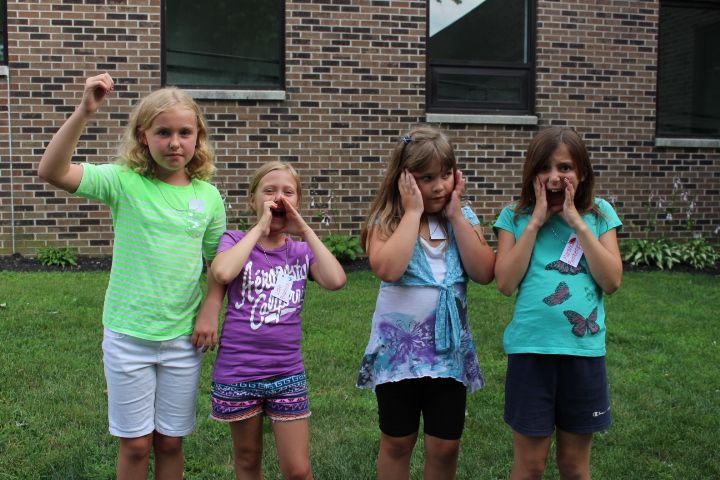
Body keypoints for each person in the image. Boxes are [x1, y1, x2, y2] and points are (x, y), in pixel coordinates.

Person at [38, 73, 227, 480]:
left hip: (183, 338)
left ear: (198, 137)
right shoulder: (123, 182)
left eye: (184, 132)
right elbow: (52, 171)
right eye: (163, 132)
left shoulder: (208, 197)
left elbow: (218, 264)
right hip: (128, 337)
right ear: (143, 137)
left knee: (171, 442)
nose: (174, 142)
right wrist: (85, 111)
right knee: (137, 444)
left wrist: (211, 309)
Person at [356, 126, 496, 480]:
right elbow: (388, 268)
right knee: (398, 441)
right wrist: (412, 213)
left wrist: (456, 216)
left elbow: (484, 271)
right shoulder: (388, 221)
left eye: (446, 175)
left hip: (448, 353)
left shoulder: (462, 219)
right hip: (398, 353)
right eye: (427, 178)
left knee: (445, 445)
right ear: (404, 178)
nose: (438, 186)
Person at [493, 127, 623, 480]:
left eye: (565, 168)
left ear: (582, 173)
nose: (554, 177)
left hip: (583, 353)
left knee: (574, 466)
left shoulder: (600, 214)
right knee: (530, 465)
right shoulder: (514, 217)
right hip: (531, 352)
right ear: (531, 173)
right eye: (544, 168)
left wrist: (577, 222)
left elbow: (611, 280)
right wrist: (535, 222)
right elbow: (505, 283)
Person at [209, 161, 346, 480]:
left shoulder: (301, 251)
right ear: (252, 199)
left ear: (298, 202)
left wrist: (305, 230)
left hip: (287, 372)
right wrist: (259, 228)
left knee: (298, 470)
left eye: (288, 192)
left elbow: (336, 280)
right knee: (247, 459)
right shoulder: (234, 240)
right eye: (269, 191)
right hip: (239, 372)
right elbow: (223, 272)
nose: (278, 197)